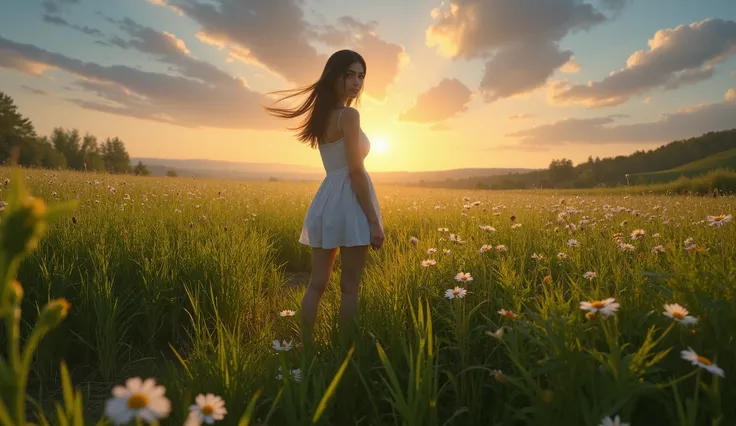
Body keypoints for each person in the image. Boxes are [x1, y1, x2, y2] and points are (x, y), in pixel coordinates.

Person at [264, 49, 385, 341]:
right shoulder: (349, 115)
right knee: (350, 287)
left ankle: (305, 349)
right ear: (335, 77)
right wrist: (374, 221)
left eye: (361, 76)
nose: (356, 82)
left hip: (327, 199)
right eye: (350, 75)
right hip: (351, 202)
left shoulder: (321, 117)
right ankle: (343, 354)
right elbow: (356, 171)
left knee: (316, 284)